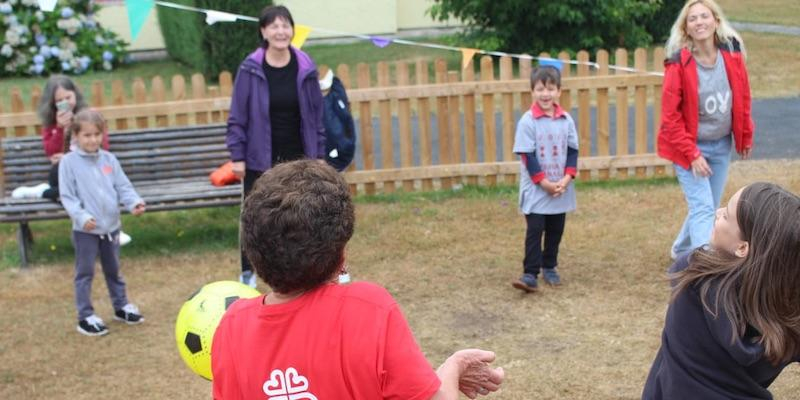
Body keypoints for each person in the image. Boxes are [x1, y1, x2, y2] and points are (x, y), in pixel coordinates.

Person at [211, 160, 505, 399]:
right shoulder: (368, 309)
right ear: (341, 254)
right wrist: (452, 368)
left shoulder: (232, 326)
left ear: (253, 251)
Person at [642, 182, 800, 399]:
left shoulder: (693, 276)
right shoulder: (789, 311)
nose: (717, 212)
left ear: (743, 247)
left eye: (726, 215)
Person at [226, 5, 325, 288]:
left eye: (286, 25)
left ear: (292, 30)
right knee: (256, 217)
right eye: (274, 26)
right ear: (263, 31)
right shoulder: (250, 68)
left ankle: (301, 268)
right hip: (260, 158)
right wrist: (237, 155)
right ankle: (249, 272)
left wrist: (317, 156)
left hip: (298, 156)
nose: (281, 31)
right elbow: (237, 117)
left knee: (300, 213)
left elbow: (317, 116)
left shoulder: (306, 66)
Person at [658, 0, 754, 259]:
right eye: (693, 19)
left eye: (704, 16)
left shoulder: (731, 57)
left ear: (716, 21)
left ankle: (680, 249)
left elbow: (742, 97)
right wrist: (692, 154)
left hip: (720, 143)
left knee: (706, 204)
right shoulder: (678, 64)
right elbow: (670, 118)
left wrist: (744, 136)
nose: (699, 22)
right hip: (688, 147)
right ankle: (703, 263)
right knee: (703, 208)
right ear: (686, 28)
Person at [59, 109, 146, 336]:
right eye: (87, 135)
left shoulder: (109, 159)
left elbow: (123, 186)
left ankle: (121, 306)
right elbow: (67, 197)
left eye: (97, 134)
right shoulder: (68, 163)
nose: (93, 140)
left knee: (114, 270)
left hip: (111, 228)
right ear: (76, 136)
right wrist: (82, 217)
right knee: (85, 273)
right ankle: (85, 316)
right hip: (85, 231)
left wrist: (133, 202)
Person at [511, 66, 578, 292]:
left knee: (555, 228)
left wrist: (566, 178)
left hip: (560, 187)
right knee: (535, 229)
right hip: (537, 188)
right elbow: (527, 156)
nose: (545, 94)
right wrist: (544, 183)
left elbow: (572, 151)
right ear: (532, 91)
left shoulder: (566, 120)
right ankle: (530, 273)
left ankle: (550, 266)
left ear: (559, 91)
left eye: (550, 89)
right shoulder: (527, 121)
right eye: (540, 89)